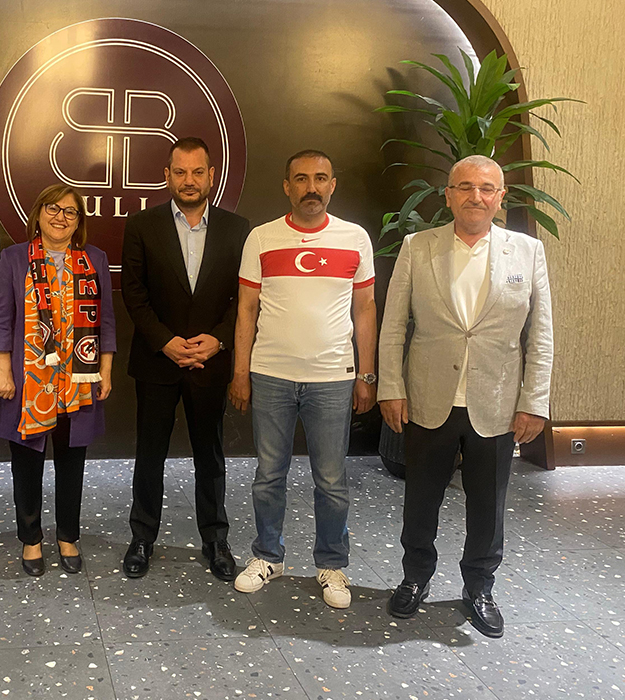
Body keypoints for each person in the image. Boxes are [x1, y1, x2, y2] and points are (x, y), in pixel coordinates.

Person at [379, 155, 553, 638]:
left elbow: (540, 334)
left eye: (486, 188)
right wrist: (391, 387)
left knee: (488, 505)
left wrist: (534, 401)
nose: (476, 196)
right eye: (465, 187)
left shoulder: (528, 251)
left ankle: (479, 587)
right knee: (421, 498)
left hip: (497, 402)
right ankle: (415, 577)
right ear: (449, 195)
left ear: (500, 197)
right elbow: (393, 326)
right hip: (428, 397)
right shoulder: (418, 247)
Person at [230, 150, 377, 609]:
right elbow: (246, 310)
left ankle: (332, 564)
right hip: (270, 374)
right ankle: (267, 556)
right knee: (267, 476)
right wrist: (240, 372)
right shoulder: (261, 238)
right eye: (301, 179)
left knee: (331, 480)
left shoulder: (355, 238)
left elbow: (365, 309)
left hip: (333, 377)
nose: (311, 187)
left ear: (333, 185)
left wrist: (367, 374)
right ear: (286, 186)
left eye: (320, 178)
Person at [120, 137, 251, 580]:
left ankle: (215, 539)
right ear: (167, 176)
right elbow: (134, 294)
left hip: (210, 362)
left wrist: (218, 340)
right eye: (180, 172)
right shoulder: (142, 225)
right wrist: (166, 342)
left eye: (197, 172)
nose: (189, 180)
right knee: (150, 454)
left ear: (212, 176)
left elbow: (244, 299)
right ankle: (142, 537)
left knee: (210, 456)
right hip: (158, 360)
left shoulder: (238, 229)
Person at [0, 184, 115, 576]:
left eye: (70, 212)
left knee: (71, 462)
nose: (61, 217)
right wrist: (3, 371)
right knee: (27, 464)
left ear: (79, 221)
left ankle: (67, 536)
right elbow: (2, 318)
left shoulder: (94, 259)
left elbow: (106, 320)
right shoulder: (14, 259)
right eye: (53, 209)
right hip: (29, 381)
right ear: (38, 212)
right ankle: (31, 539)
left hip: (78, 378)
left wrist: (105, 370)